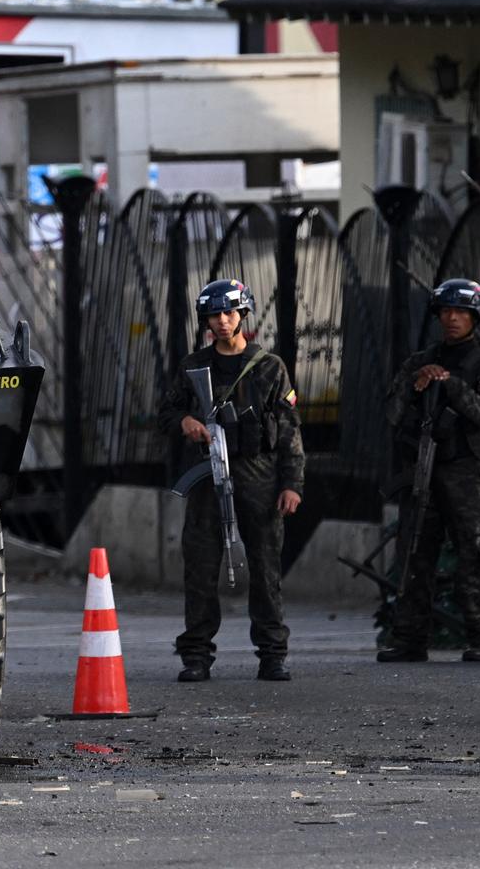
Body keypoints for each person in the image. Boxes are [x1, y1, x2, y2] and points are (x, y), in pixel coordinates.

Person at [157, 279, 305, 683]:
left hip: (258, 474)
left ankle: (272, 655)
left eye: (229, 313)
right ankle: (197, 656)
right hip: (207, 478)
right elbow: (165, 415)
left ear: (242, 315)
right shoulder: (193, 367)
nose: (222, 322)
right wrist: (186, 421)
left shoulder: (270, 367)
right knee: (201, 566)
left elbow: (291, 431)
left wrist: (293, 484)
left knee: (265, 565)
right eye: (214, 315)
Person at [377, 279, 480, 663]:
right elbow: (391, 413)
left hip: (469, 474)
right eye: (446, 312)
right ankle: (409, 639)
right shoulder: (420, 360)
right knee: (415, 551)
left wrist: (450, 384)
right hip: (424, 468)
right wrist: (418, 386)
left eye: (461, 312)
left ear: (475, 317)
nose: (452, 319)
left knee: (477, 555)